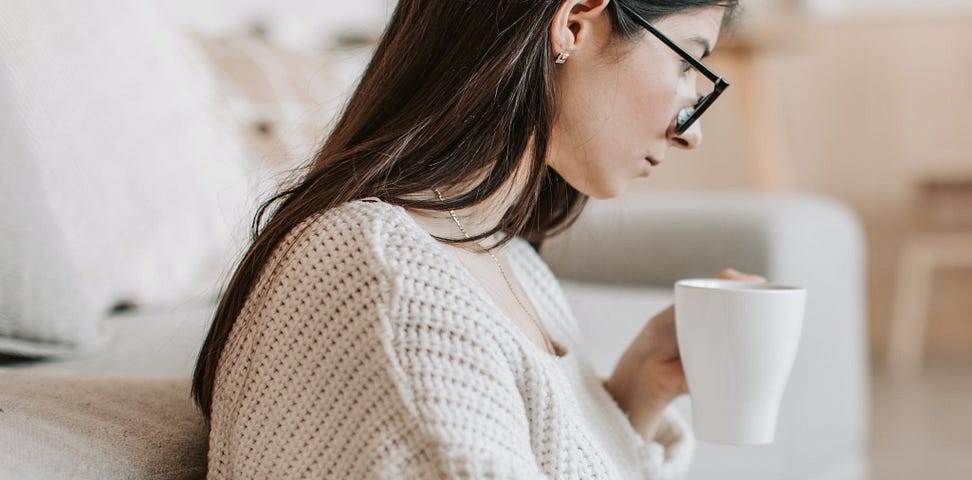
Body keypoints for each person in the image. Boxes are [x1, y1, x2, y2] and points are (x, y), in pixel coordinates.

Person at [189, 0, 745, 477]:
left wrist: (634, 394)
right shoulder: (391, 285)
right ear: (575, 21)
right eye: (685, 62)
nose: (690, 131)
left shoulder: (501, 257)